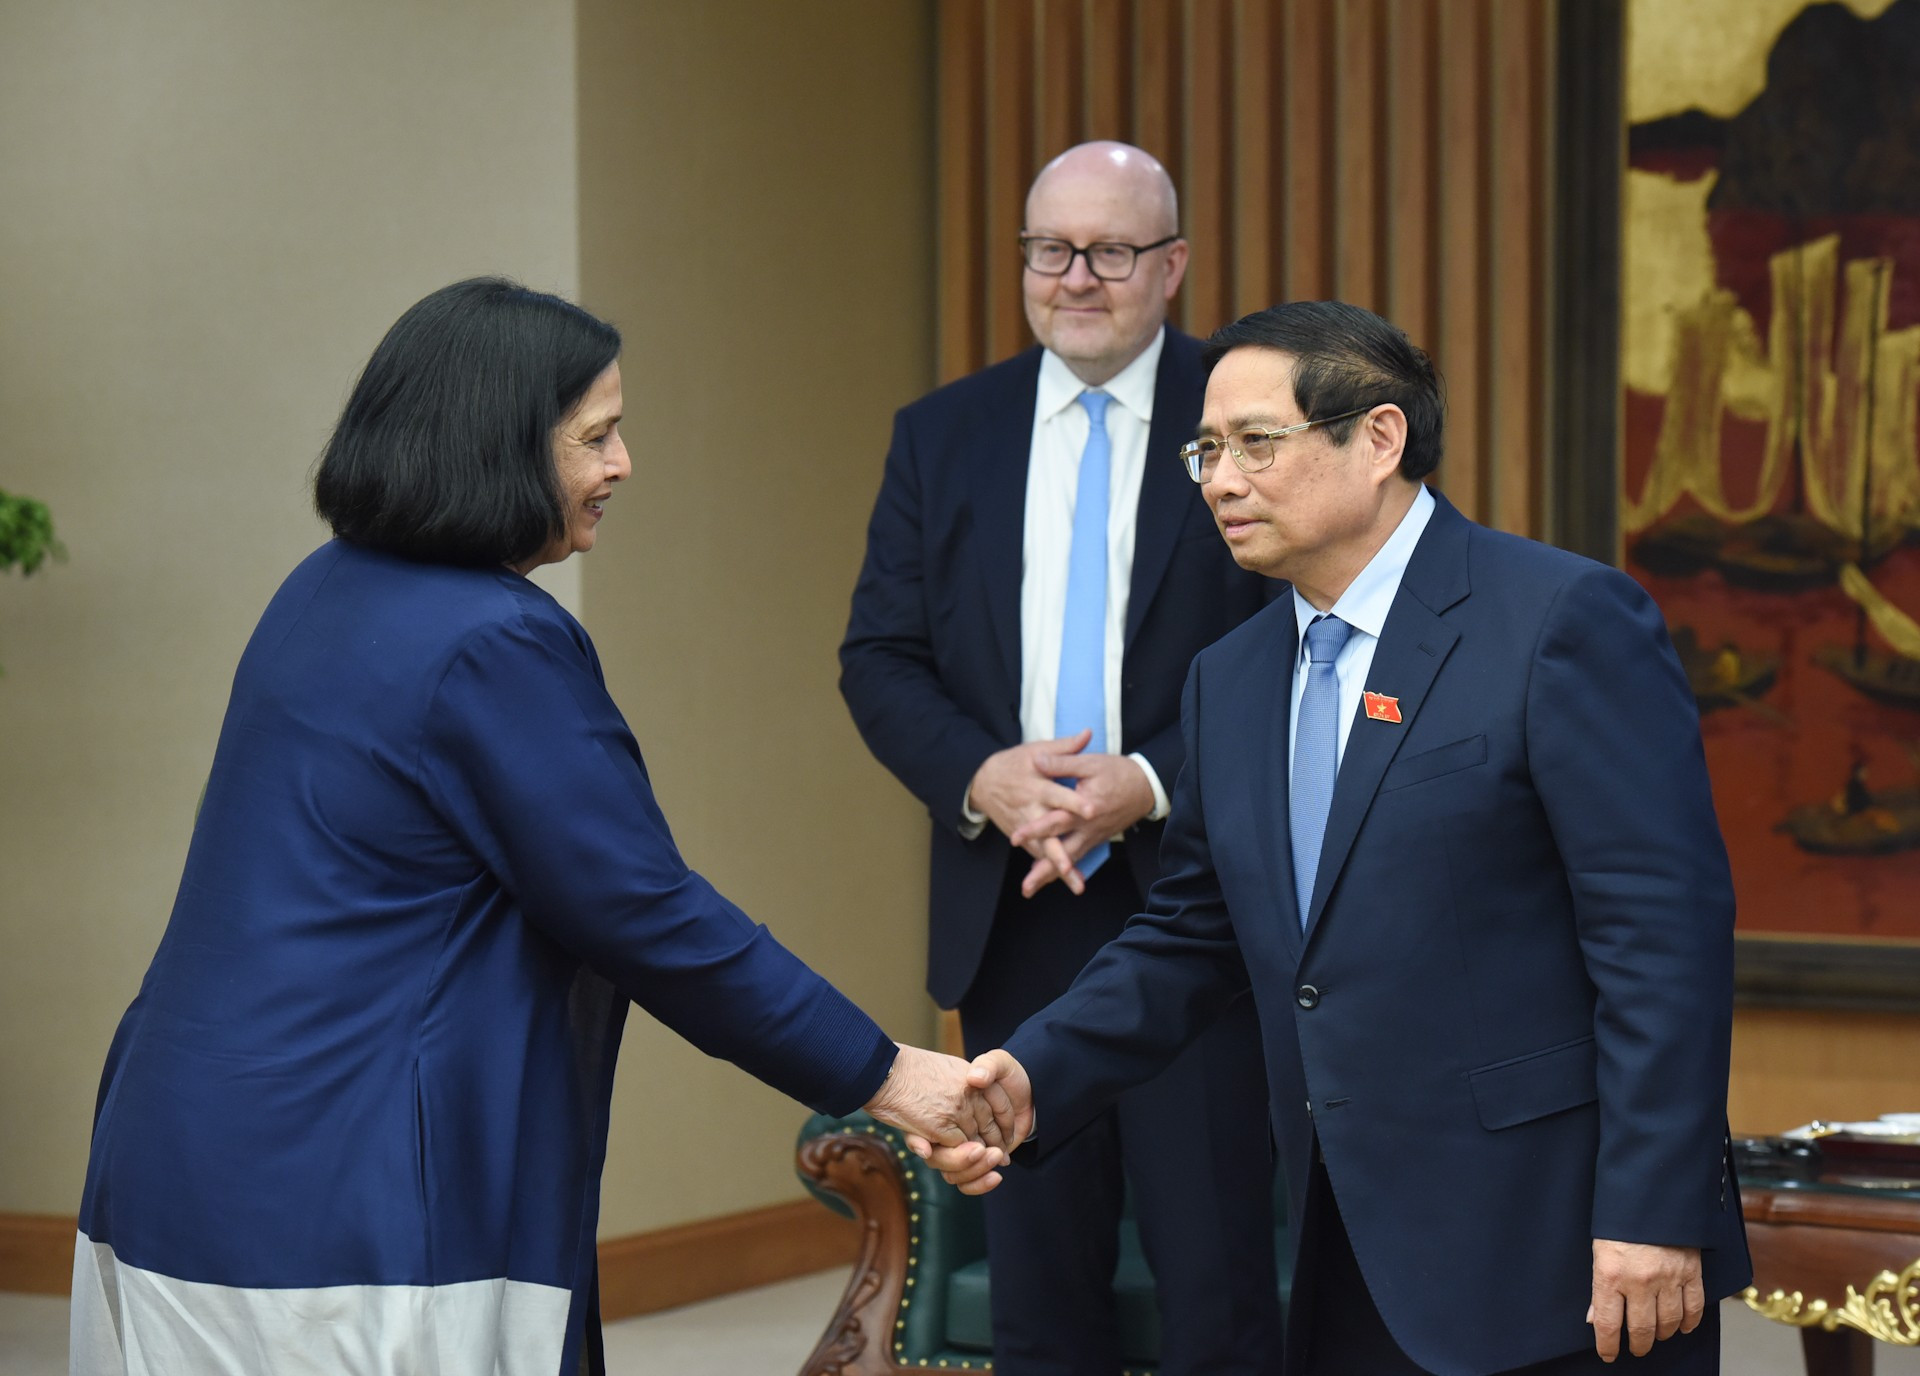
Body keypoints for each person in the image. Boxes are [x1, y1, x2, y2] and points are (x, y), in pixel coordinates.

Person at [70, 278, 1011, 1376]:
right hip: (347, 1195)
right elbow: (647, 913)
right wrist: (891, 1074)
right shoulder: (493, 642)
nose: (623, 465)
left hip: (181, 1152)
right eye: (597, 436)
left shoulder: (318, 590)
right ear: (497, 448)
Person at [922, 301, 1753, 1375]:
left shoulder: (1561, 620)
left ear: (1379, 439)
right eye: (1206, 449)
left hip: (1565, 1248)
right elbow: (1190, 935)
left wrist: (1652, 1208)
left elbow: (1663, 940)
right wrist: (1033, 1074)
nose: (1221, 479)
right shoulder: (1231, 678)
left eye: (1256, 443)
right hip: (1347, 1240)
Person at [839, 143, 1282, 1375]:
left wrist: (1148, 779)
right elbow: (878, 656)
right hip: (1017, 911)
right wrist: (986, 778)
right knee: (1042, 1297)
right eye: (1050, 248)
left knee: (1218, 1291)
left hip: (1196, 911)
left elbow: (1296, 646)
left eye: (1113, 250)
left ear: (1173, 265)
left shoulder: (1241, 416)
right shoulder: (943, 434)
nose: (1077, 276)